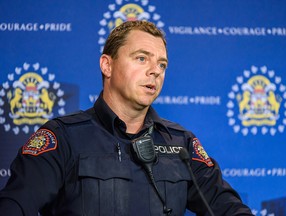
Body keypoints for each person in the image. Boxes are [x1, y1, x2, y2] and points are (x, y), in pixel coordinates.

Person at [0, 20, 253, 216]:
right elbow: (13, 205)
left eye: (162, 64)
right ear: (107, 66)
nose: (155, 70)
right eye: (141, 58)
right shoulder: (62, 137)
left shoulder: (181, 143)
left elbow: (227, 207)